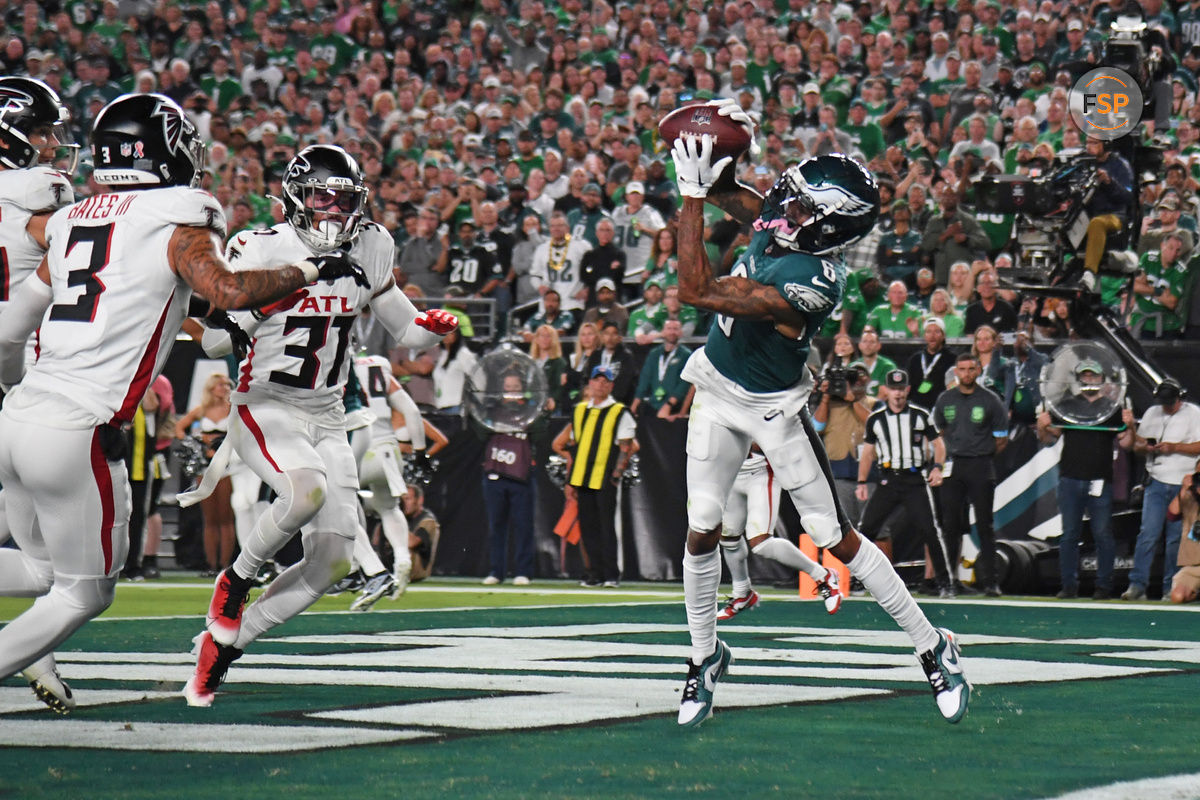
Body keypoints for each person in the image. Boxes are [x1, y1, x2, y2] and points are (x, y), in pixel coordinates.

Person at [0, 93, 367, 713]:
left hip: (20, 412)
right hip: (78, 426)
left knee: (41, 575)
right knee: (85, 593)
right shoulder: (177, 214)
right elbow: (227, 288)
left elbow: (13, 324)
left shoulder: (70, 217)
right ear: (160, 149)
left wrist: (15, 386)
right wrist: (307, 270)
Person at [669, 120, 969, 728]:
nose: (785, 200)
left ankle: (932, 643)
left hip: (774, 408)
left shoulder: (813, 281)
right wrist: (709, 141)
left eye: (802, 201)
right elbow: (742, 194)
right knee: (702, 526)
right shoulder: (785, 220)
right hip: (718, 391)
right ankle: (704, 658)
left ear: (828, 223)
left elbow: (695, 290)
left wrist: (691, 194)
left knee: (833, 535)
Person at [183, 143, 458, 707]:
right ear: (295, 198)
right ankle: (236, 579)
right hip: (265, 402)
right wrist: (267, 298)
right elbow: (215, 339)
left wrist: (432, 328)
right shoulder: (258, 247)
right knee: (305, 491)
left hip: (328, 414)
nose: (332, 210)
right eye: (319, 197)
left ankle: (225, 645)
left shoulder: (373, 245)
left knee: (332, 560)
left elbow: (404, 328)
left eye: (343, 200)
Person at [346, 352, 444, 609]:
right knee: (388, 508)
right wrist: (421, 452)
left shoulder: (336, 365)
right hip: (388, 449)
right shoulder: (379, 369)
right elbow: (412, 411)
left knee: (339, 509)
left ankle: (367, 570)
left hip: (355, 444)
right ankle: (402, 557)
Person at [1036, 360, 1135, 599]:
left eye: (1094, 376)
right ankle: (1068, 586)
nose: (1090, 380)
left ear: (1102, 379)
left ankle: (1104, 587)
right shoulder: (1067, 405)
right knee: (1069, 534)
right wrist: (1042, 426)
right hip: (1070, 478)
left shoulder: (1112, 408)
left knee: (1103, 535)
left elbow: (1127, 443)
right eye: (1086, 376)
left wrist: (1130, 426)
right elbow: (1049, 439)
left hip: (1100, 479)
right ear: (1080, 379)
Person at [856, 369, 955, 594]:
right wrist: (862, 482)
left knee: (930, 531)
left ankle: (944, 582)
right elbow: (868, 453)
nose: (898, 394)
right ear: (886, 391)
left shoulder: (920, 415)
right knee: (866, 529)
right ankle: (860, 579)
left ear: (907, 389)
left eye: (901, 389)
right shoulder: (876, 419)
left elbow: (939, 444)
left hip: (913, 480)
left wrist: (937, 468)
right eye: (894, 389)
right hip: (888, 480)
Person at [717, 447, 844, 621]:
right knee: (729, 540)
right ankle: (742, 593)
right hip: (729, 471)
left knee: (762, 543)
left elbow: (759, 438)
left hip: (760, 471)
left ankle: (822, 575)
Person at [551, 365, 637, 588]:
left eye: (605, 381)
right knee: (588, 527)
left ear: (611, 385)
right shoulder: (580, 410)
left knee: (606, 526)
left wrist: (616, 476)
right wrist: (571, 480)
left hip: (604, 476)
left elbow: (627, 447)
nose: (600, 384)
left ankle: (610, 574)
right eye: (596, 380)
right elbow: (575, 446)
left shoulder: (619, 411)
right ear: (589, 383)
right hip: (582, 476)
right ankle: (593, 573)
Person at [932, 353, 1010, 596]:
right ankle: (949, 581)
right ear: (956, 371)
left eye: (970, 369)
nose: (966, 373)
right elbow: (938, 434)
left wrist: (981, 453)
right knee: (950, 526)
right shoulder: (945, 399)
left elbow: (1001, 439)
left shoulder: (990, 400)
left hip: (980, 465)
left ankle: (991, 582)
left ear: (978, 371)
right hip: (953, 466)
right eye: (962, 369)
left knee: (985, 525)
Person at [1124, 379, 1200, 600]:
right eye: (1164, 402)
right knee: (1148, 534)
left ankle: (1170, 586)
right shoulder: (1152, 413)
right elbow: (1137, 446)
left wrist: (1174, 447)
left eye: (1171, 402)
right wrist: (1145, 446)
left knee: (1175, 538)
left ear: (1180, 398)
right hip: (1156, 480)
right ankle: (1137, 585)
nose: (1167, 406)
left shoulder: (1194, 414)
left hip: (1182, 484)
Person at [480, 372, 544, 585]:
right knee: (496, 524)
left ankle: (523, 571)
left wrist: (536, 413)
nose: (511, 390)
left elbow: (539, 434)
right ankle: (496, 571)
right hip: (496, 471)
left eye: (515, 386)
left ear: (522, 387)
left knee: (523, 525)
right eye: (508, 386)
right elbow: (480, 433)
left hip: (521, 473)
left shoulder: (531, 409)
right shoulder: (493, 409)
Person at [175, 373, 237, 575]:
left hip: (228, 467)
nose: (225, 388)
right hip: (205, 467)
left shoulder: (233, 409)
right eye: (220, 385)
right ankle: (211, 565)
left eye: (227, 385)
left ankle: (225, 564)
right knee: (210, 519)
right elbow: (179, 428)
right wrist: (196, 446)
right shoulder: (201, 410)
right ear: (211, 388)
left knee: (226, 518)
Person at [630, 319, 691, 420]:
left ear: (680, 333)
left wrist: (669, 405)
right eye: (669, 328)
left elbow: (684, 384)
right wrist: (634, 406)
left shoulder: (686, 355)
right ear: (663, 331)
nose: (672, 332)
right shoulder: (654, 354)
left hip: (673, 408)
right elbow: (645, 380)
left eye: (675, 329)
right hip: (653, 405)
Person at [1166, 462, 1200, 604]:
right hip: (1193, 567)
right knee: (1177, 596)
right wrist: (1183, 489)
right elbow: (1172, 515)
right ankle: (1196, 595)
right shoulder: (1189, 498)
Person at [906, 317, 957, 411]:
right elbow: (908, 387)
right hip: (917, 409)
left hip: (941, 409)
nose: (932, 336)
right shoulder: (915, 359)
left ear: (943, 335)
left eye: (936, 331)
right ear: (924, 335)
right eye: (928, 332)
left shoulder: (953, 359)